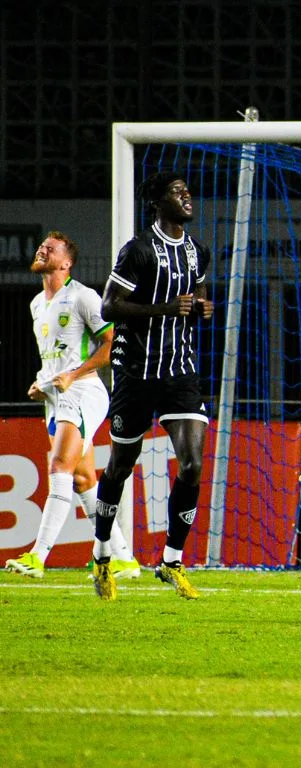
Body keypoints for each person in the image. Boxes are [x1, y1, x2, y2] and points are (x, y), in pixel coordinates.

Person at [91, 172, 214, 600]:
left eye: (187, 191)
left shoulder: (198, 251)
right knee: (121, 464)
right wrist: (165, 307)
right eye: (178, 192)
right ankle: (102, 554)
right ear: (157, 203)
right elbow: (109, 305)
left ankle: (172, 560)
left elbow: (196, 293)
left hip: (179, 372)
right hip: (136, 372)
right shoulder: (138, 251)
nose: (187, 196)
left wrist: (201, 306)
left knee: (194, 464)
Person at [5, 232, 140, 580]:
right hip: (56, 397)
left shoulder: (83, 297)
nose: (42, 249)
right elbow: (55, 359)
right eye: (42, 246)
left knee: (60, 468)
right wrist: (44, 383)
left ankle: (39, 556)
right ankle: (123, 557)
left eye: (51, 248)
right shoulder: (37, 304)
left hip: (83, 392)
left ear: (66, 262)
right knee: (82, 479)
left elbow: (112, 345)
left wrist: (73, 375)